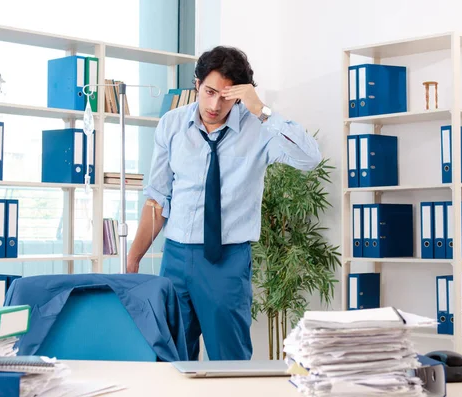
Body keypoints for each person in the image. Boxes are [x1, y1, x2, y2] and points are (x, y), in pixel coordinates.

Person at [126, 45, 321, 361]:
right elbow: (158, 198)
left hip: (226, 261)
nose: (215, 104)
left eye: (226, 96)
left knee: (229, 362)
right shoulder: (171, 125)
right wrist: (134, 258)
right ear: (197, 85)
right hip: (174, 257)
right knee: (170, 359)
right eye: (209, 92)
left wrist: (262, 110)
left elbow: (310, 158)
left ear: (241, 94)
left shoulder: (258, 129)